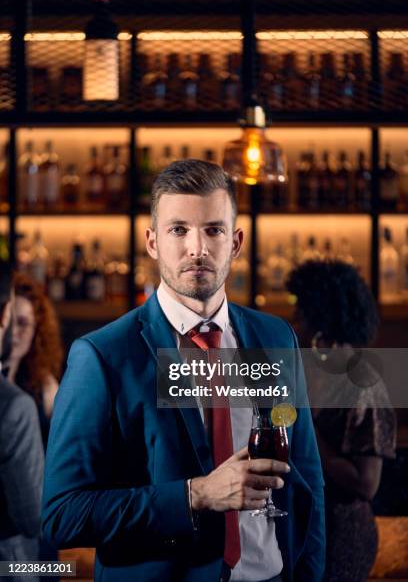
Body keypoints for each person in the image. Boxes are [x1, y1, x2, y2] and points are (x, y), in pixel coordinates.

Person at [42, 160, 325, 582]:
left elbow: (307, 480)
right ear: (153, 242)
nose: (198, 248)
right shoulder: (102, 357)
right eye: (179, 230)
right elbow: (61, 516)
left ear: (236, 242)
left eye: (213, 229)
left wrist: (307, 574)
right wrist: (196, 495)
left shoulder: (275, 338)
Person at [286, 259, 396, 582]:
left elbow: (366, 483)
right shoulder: (308, 372)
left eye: (300, 314)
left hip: (341, 535)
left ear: (320, 321)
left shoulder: (362, 382)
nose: (293, 323)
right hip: (308, 525)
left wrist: (306, 433)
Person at [0, 260, 44, 580]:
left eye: (24, 324)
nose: (15, 333)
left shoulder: (48, 392)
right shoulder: (15, 407)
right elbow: (35, 517)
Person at [4, 272, 63, 447]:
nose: (13, 331)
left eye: (22, 323)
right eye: (8, 321)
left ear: (37, 330)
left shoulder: (46, 387)